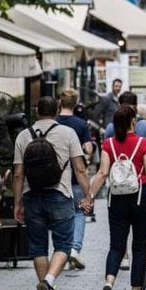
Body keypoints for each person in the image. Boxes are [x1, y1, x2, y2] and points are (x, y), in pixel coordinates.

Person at [83, 104, 146, 290]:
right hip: (141, 197)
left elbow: (103, 173)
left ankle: (109, 283)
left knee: (116, 245)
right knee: (139, 247)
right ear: (133, 121)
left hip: (117, 199)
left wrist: (90, 196)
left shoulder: (108, 144)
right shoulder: (143, 143)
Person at [12, 96, 91, 290]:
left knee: (38, 247)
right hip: (60, 194)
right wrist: (88, 194)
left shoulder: (23, 135)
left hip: (32, 196)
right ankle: (48, 281)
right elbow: (80, 168)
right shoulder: (68, 133)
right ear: (57, 110)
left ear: (37, 110)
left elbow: (18, 173)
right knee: (64, 245)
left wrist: (17, 202)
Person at [55, 88, 94, 271]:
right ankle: (74, 249)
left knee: (59, 215)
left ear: (60, 103)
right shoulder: (80, 124)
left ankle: (60, 251)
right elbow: (88, 149)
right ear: (76, 103)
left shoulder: (53, 123)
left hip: (55, 177)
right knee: (79, 212)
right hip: (76, 175)